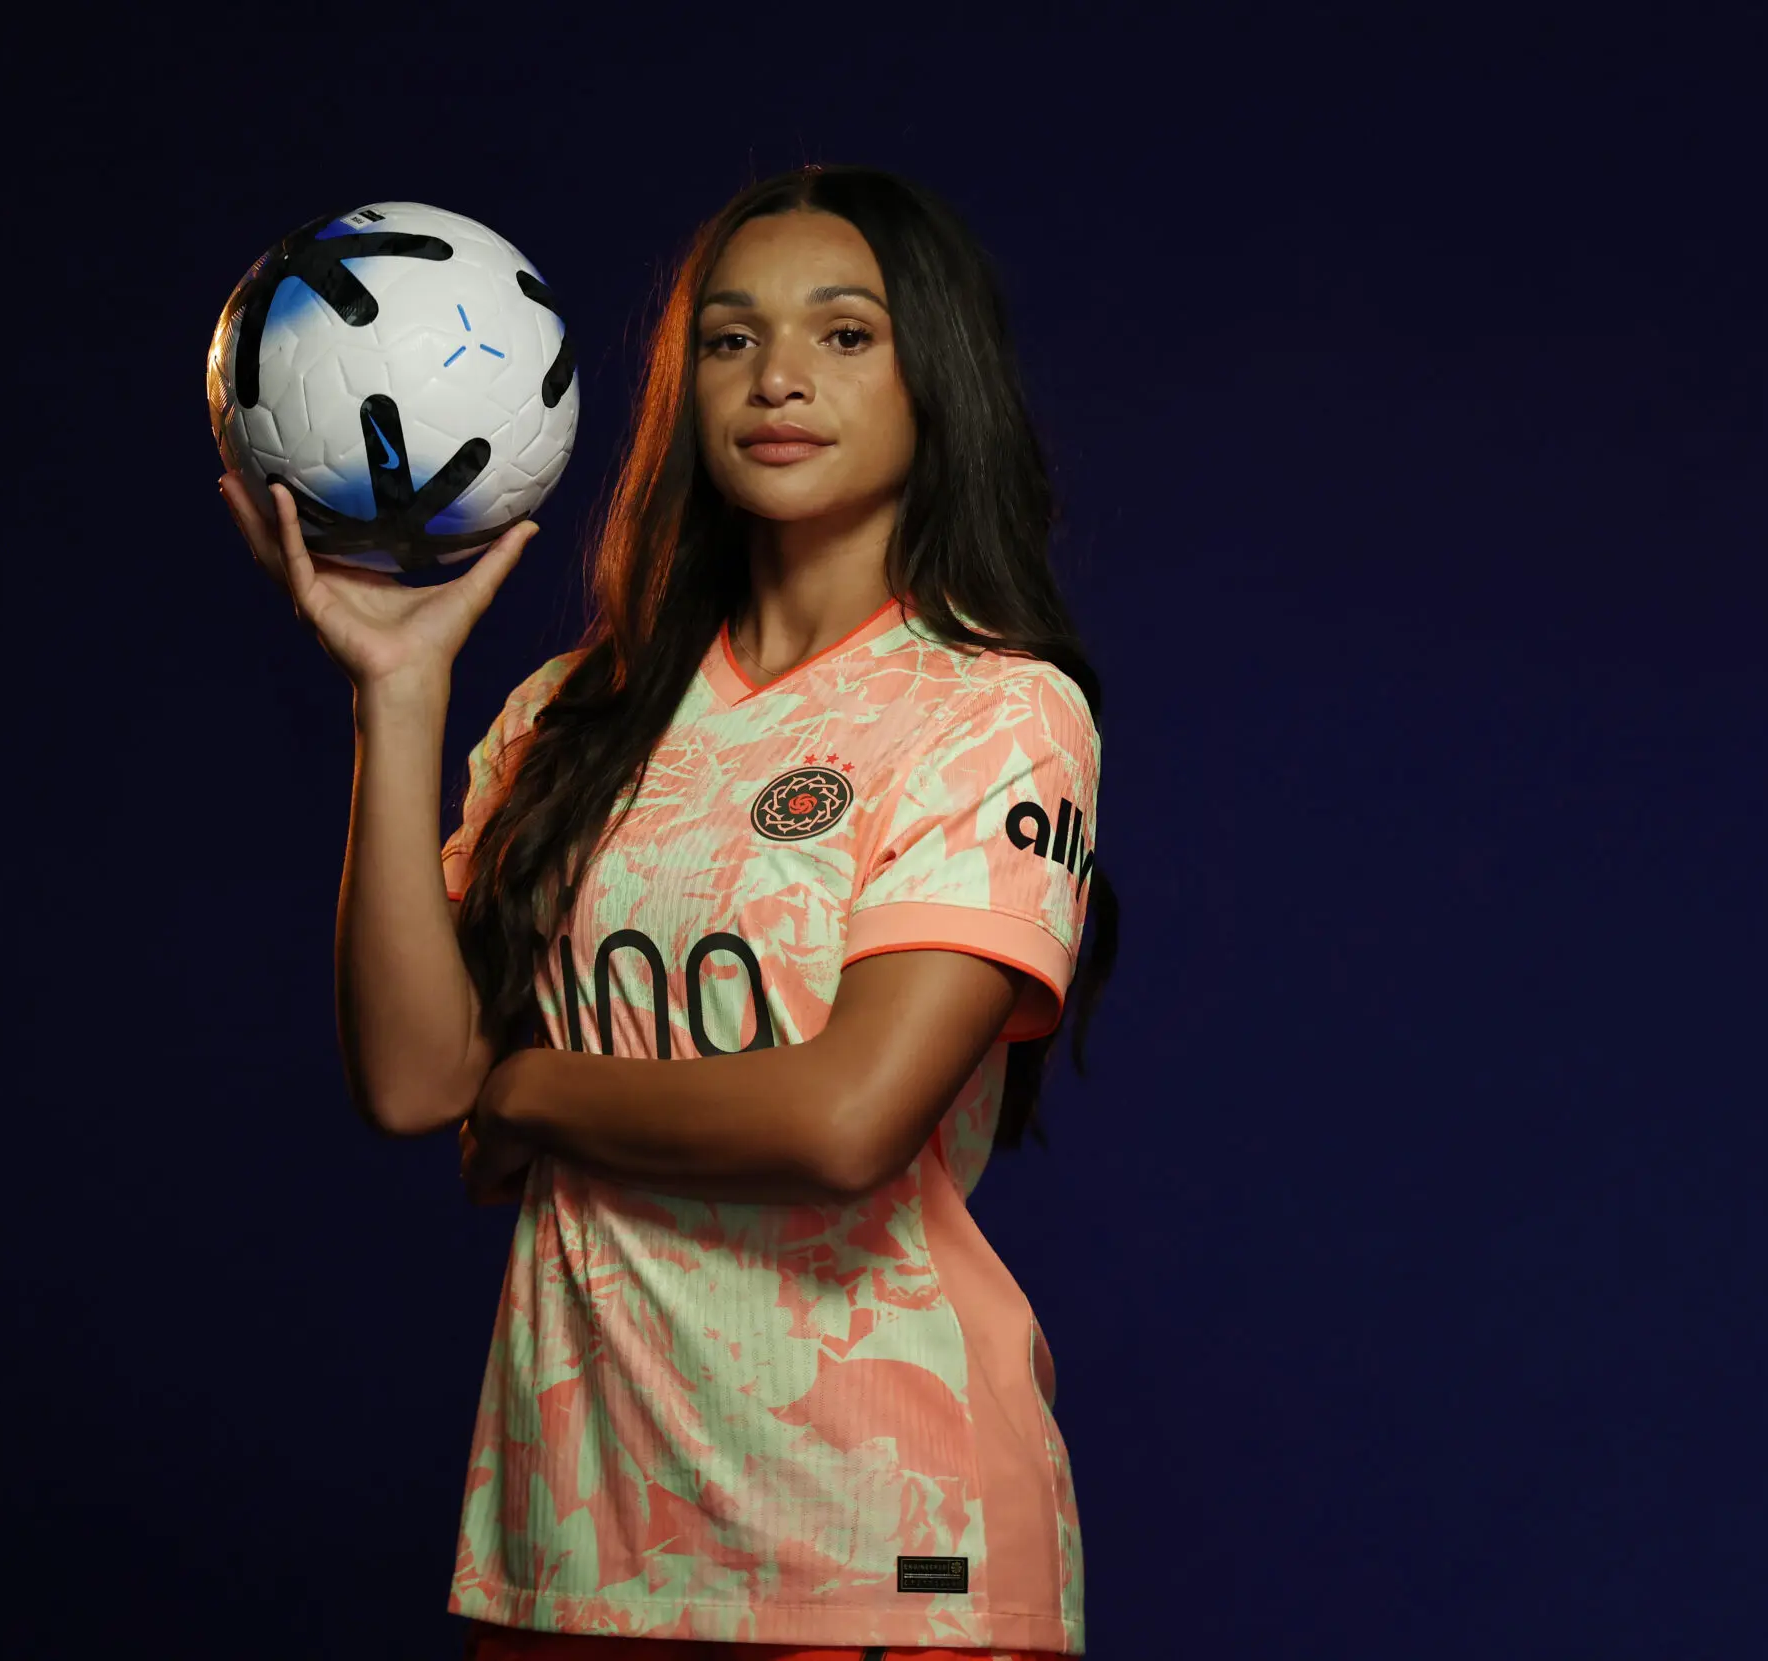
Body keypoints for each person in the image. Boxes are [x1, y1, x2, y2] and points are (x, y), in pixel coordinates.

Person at [219, 163, 1118, 1661]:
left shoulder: (998, 713)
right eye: (727, 338)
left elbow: (846, 1120)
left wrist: (528, 1088)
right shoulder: (576, 714)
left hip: (871, 1537)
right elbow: (406, 1078)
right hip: (573, 1533)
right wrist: (401, 693)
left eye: (845, 335)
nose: (777, 377)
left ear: (934, 377)